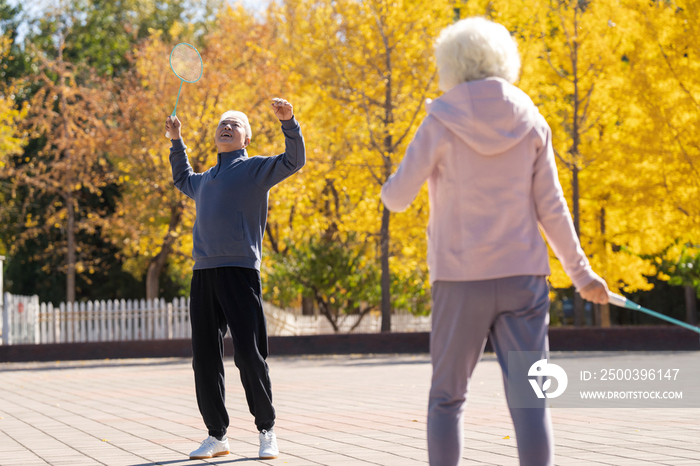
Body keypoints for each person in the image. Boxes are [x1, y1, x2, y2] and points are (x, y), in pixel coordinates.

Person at [380, 17, 609, 466]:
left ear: (450, 62)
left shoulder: (440, 120)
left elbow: (397, 198)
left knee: (447, 399)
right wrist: (582, 275)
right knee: (530, 400)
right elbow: (553, 209)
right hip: (525, 279)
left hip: (459, 280)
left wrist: (395, 181)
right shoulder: (532, 121)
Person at [165, 98, 305, 460]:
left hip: (240, 272)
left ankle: (266, 430)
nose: (226, 127)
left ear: (246, 139)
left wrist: (288, 123)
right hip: (203, 274)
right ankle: (217, 436)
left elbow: (294, 160)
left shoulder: (256, 169)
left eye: (235, 124)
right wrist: (176, 140)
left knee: (248, 354)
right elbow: (181, 177)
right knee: (205, 359)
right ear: (216, 137)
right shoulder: (205, 179)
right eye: (222, 124)